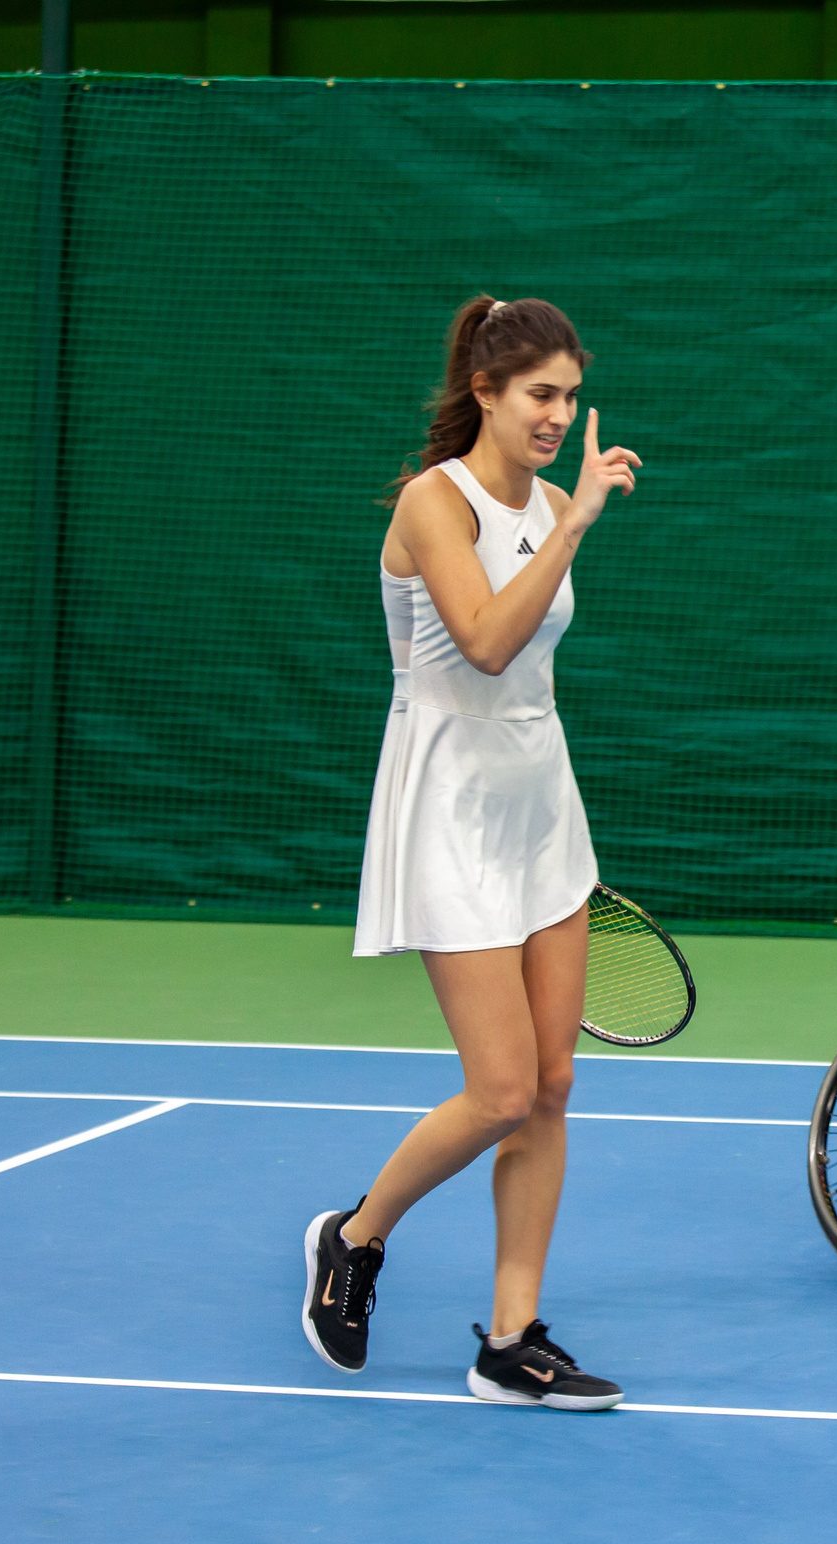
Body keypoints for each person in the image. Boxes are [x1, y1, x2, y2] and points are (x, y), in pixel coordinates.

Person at [301, 295, 640, 1412]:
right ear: (486, 391)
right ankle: (354, 1239)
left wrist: (561, 512)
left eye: (570, 396)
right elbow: (487, 645)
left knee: (549, 1085)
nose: (559, 414)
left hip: (543, 809)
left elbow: (529, 674)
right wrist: (576, 522)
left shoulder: (546, 500)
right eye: (541, 394)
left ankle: (511, 1339)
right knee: (497, 1088)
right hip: (445, 811)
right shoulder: (429, 502)